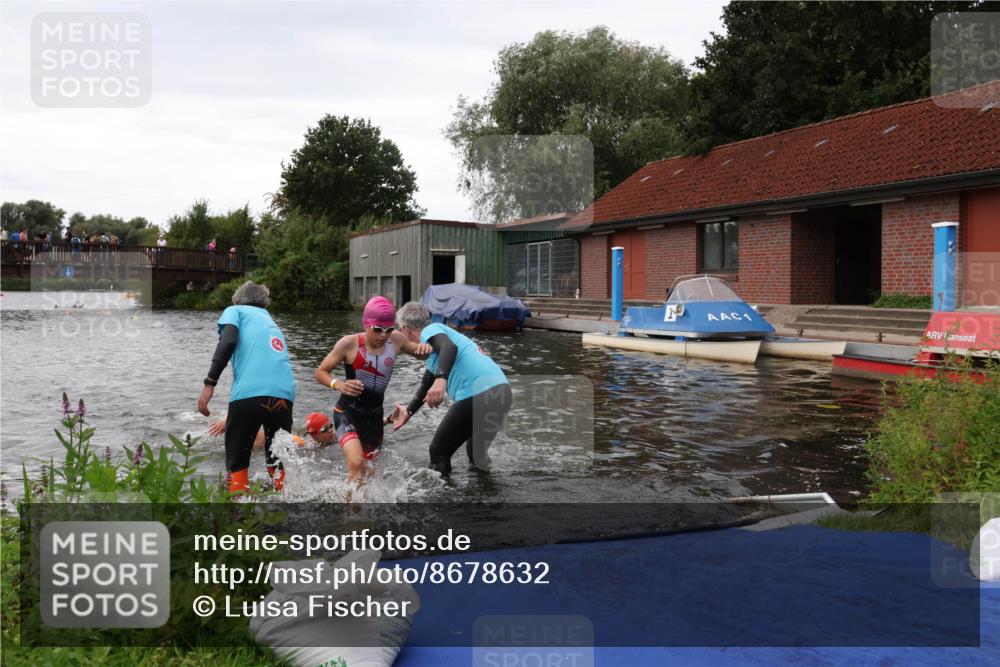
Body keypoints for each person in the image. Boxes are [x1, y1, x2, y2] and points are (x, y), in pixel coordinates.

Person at [314, 296, 430, 486]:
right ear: (366, 324)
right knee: (356, 462)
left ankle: (356, 509)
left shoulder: (397, 340)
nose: (384, 335)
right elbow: (320, 372)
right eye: (378, 330)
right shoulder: (349, 344)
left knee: (368, 474)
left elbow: (420, 353)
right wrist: (339, 384)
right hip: (347, 412)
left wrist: (426, 348)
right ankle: (350, 515)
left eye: (389, 329)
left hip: (374, 418)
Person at [389, 302, 512, 475]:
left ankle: (443, 500)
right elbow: (427, 382)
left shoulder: (430, 331)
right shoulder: (436, 346)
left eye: (399, 330)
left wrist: (441, 380)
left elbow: (449, 348)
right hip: (501, 392)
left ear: (406, 329)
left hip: (479, 393)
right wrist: (408, 411)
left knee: (438, 451)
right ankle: (487, 496)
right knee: (477, 455)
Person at [197, 280, 296, 494]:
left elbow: (228, 341)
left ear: (238, 299)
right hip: (284, 396)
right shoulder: (271, 321)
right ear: (264, 304)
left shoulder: (235, 310)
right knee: (276, 459)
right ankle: (283, 509)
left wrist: (209, 384)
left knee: (237, 461)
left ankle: (238, 516)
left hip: (249, 395)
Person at [208, 411, 337, 450]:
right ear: (313, 435)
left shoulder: (337, 437)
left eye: (330, 426)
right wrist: (228, 422)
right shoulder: (300, 442)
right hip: (248, 442)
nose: (330, 430)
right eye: (324, 429)